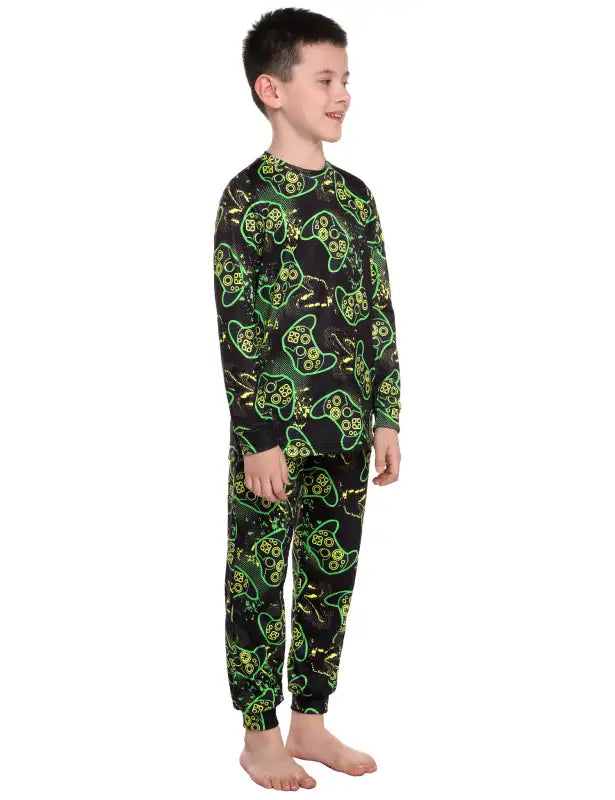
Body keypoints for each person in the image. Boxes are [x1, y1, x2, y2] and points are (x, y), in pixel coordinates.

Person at [212, 7, 402, 791]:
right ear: (272, 89)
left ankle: (310, 722)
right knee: (259, 580)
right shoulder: (246, 199)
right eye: (324, 79)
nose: (342, 94)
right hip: (274, 439)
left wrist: (386, 415)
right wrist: (255, 436)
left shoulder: (356, 198)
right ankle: (259, 734)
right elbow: (237, 325)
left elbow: (378, 311)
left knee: (331, 580)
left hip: (347, 432)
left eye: (345, 78)